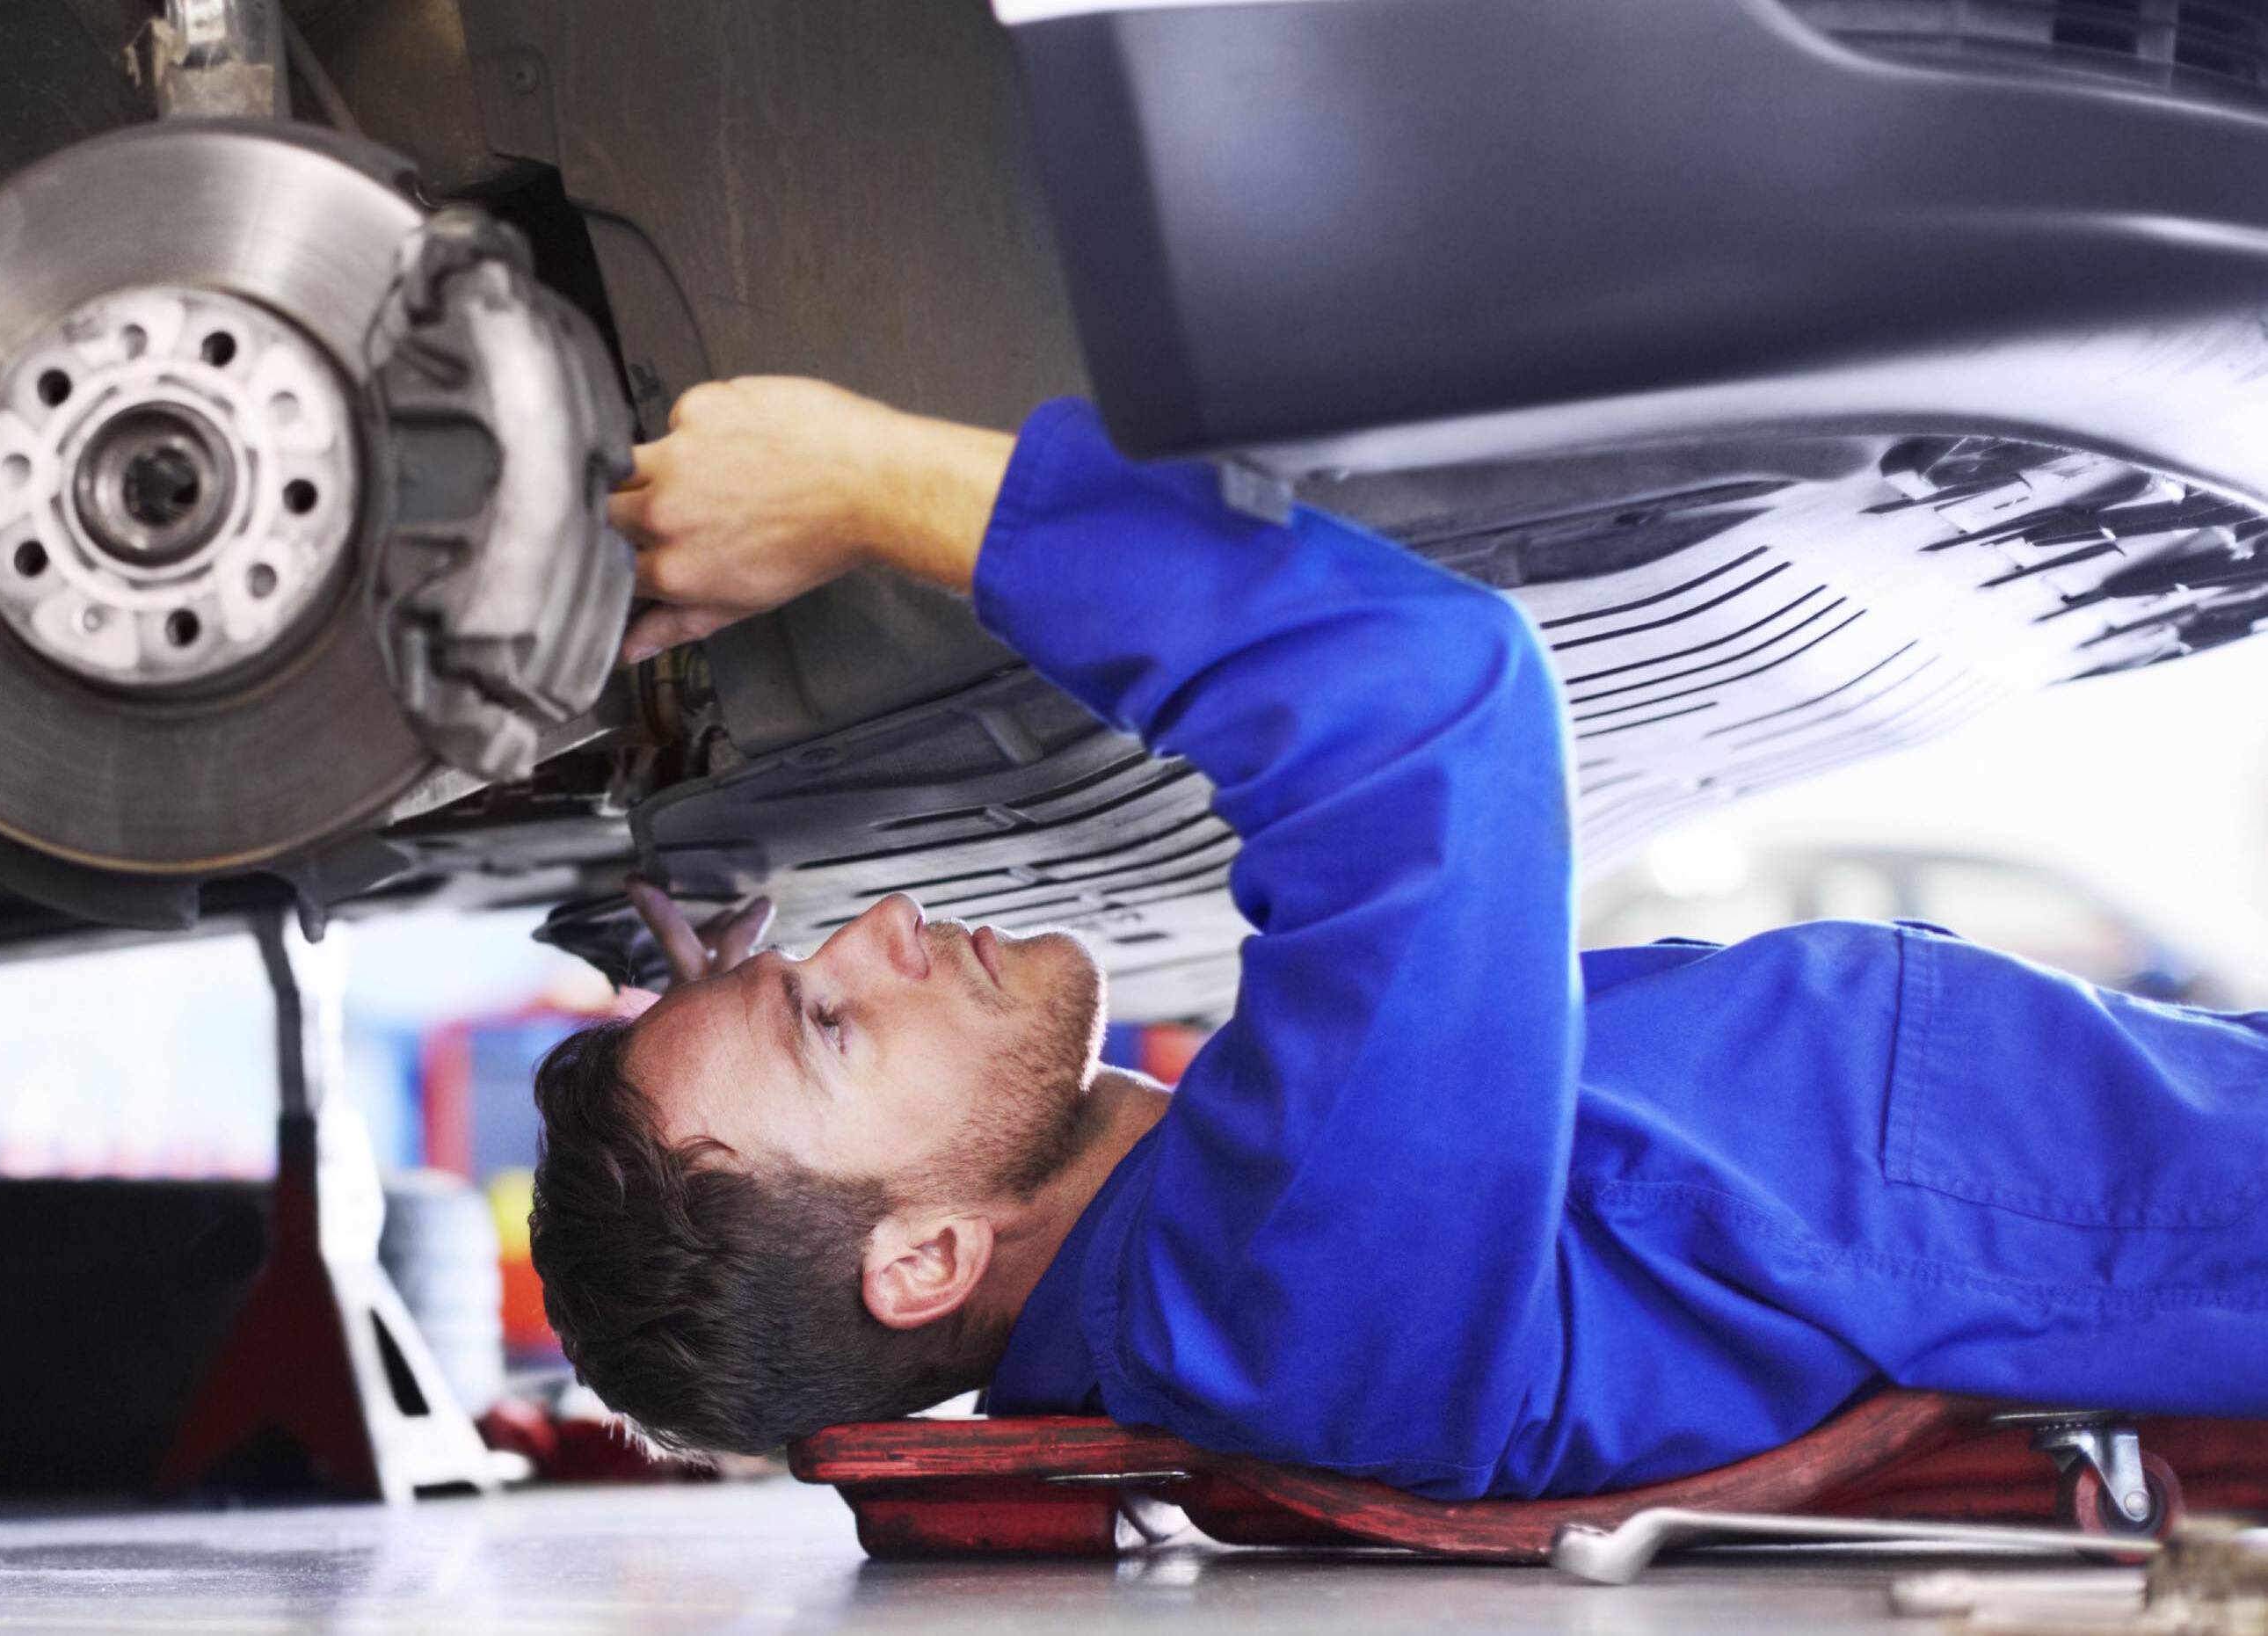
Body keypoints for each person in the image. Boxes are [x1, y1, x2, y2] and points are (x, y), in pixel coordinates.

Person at [528, 378, 2268, 1500]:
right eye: (833, 1022)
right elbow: (1420, 704)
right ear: (918, 1266)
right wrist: (860, 475)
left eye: (808, 960)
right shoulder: (1277, 1295)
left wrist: (746, 1004)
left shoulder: (1229, 1252)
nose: (884, 923)